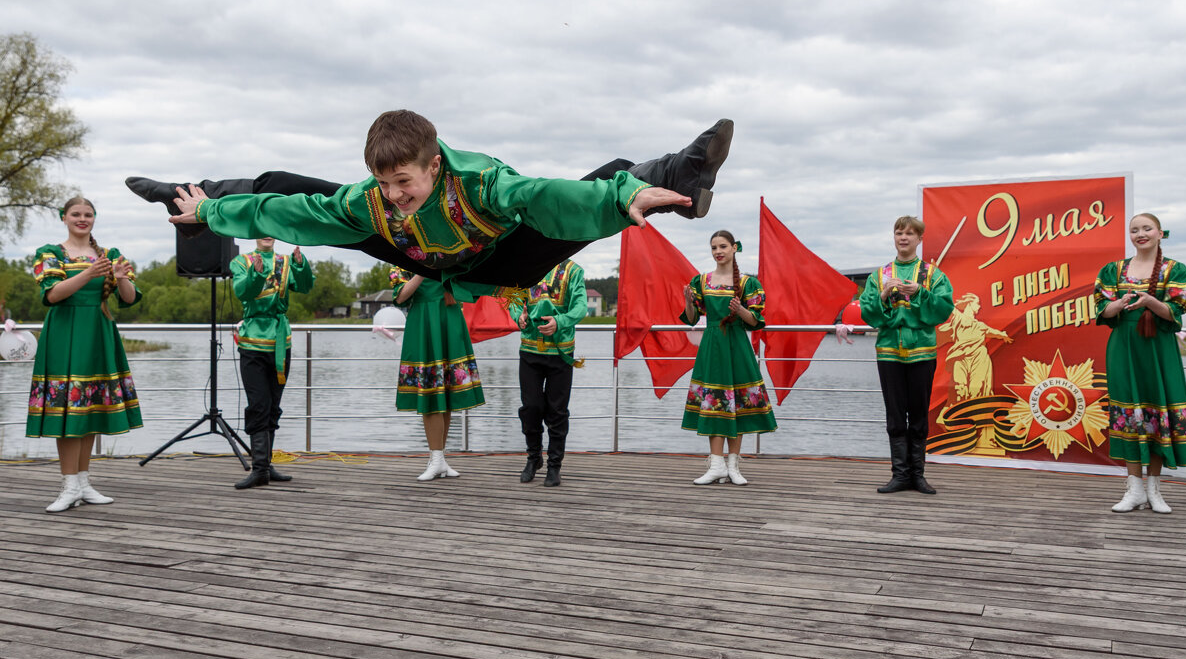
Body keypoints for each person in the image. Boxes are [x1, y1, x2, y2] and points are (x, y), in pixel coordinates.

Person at [127, 111, 733, 302]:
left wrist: (625, 195)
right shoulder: (372, 201)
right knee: (284, 185)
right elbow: (285, 216)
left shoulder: (482, 182)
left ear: (433, 164)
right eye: (383, 183)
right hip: (411, 251)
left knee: (606, 176)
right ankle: (194, 190)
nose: (395, 194)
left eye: (404, 182)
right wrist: (208, 215)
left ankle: (672, 176)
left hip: (500, 260)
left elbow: (544, 197)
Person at [27, 197, 142, 512]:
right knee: (66, 410)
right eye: (75, 214)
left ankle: (83, 482)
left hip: (99, 333)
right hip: (64, 334)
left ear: (95, 219)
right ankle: (68, 486)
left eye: (88, 214)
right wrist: (89, 273)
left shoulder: (110, 255)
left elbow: (130, 298)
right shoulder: (48, 253)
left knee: (89, 407)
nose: (82, 219)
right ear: (64, 217)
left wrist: (119, 277)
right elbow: (52, 295)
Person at [1095, 213, 1186, 514]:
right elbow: (1103, 309)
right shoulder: (1113, 270)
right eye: (1134, 230)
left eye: (1146, 228)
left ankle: (1155, 489)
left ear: (1160, 233)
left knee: (1157, 412)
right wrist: (1116, 305)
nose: (1140, 234)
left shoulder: (1175, 270)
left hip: (1158, 351)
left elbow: (1176, 312)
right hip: (1123, 351)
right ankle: (1134, 489)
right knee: (1128, 413)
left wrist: (1150, 301)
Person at [859, 216, 954, 495]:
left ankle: (918, 475)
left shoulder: (932, 274)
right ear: (894, 237)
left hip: (922, 352)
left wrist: (921, 294)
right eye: (899, 233)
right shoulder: (880, 275)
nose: (904, 238)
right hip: (889, 352)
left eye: (910, 234)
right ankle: (899, 474)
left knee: (920, 415)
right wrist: (884, 296)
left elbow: (944, 309)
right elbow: (868, 313)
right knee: (896, 416)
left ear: (919, 239)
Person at [681, 231, 777, 485]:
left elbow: (756, 321)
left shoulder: (748, 283)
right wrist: (688, 302)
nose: (717, 251)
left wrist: (741, 310)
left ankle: (733, 465)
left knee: (739, 404)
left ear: (735, 248)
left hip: (737, 345)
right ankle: (716, 464)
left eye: (723, 246)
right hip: (712, 346)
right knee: (714, 402)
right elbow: (691, 319)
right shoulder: (701, 281)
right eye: (713, 247)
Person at [230, 237, 314, 489]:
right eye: (261, 229)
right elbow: (242, 292)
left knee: (273, 405)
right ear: (254, 232)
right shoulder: (241, 261)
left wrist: (301, 265)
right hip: (253, 343)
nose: (267, 233)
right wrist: (256, 274)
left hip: (280, 343)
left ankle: (265, 466)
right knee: (258, 404)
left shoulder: (286, 261)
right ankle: (259, 468)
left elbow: (306, 286)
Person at [391, 267, 484, 480]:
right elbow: (401, 296)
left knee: (447, 391)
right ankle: (436, 458)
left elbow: (471, 287)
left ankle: (439, 458)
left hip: (449, 318)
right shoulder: (400, 255)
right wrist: (423, 270)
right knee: (430, 390)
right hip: (423, 322)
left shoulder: (450, 255)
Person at [509, 260, 587, 487]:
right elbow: (514, 299)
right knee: (530, 407)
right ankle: (534, 458)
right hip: (530, 350)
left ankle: (554, 466)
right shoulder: (525, 267)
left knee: (557, 410)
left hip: (560, 352)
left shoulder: (573, 271)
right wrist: (519, 316)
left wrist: (560, 321)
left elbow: (581, 306)